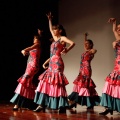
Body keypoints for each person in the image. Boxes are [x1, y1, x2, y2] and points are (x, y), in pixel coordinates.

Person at [33, 12, 75, 113]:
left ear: (60, 30)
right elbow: (50, 29)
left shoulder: (62, 38)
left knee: (57, 83)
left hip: (58, 64)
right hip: (52, 62)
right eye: (54, 29)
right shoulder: (55, 39)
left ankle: (61, 105)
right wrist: (50, 19)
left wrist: (67, 50)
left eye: (56, 29)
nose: (54, 30)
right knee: (45, 82)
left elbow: (73, 43)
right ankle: (41, 104)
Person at [68, 33, 101, 110]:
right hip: (81, 70)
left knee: (85, 86)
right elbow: (84, 43)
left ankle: (90, 103)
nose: (85, 45)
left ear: (91, 45)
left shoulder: (91, 51)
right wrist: (85, 37)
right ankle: (74, 102)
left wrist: (92, 50)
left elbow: (94, 50)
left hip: (86, 70)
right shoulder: (85, 51)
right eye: (85, 44)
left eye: (87, 44)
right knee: (78, 86)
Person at [10, 34, 41, 110]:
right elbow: (32, 54)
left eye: (35, 38)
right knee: (27, 84)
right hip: (30, 66)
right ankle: (30, 104)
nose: (34, 40)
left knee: (23, 82)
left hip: (33, 66)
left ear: (38, 40)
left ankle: (17, 104)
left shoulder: (37, 44)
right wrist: (26, 52)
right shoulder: (36, 45)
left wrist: (24, 50)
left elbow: (29, 48)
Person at [99, 18, 120, 115]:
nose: (118, 30)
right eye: (118, 29)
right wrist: (114, 23)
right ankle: (109, 107)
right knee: (108, 86)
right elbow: (114, 30)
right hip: (117, 67)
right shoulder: (117, 39)